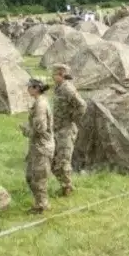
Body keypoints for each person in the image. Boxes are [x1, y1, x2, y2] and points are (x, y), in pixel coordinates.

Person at [51, 64, 87, 196]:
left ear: (61, 74)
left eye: (54, 73)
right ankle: (64, 185)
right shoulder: (58, 88)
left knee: (63, 162)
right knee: (54, 161)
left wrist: (73, 118)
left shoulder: (68, 89)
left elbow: (82, 105)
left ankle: (67, 188)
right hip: (57, 129)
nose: (52, 76)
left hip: (66, 130)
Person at [20, 78, 55, 214]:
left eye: (29, 87)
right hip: (37, 146)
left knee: (39, 178)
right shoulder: (39, 102)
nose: (27, 89)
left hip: (42, 146)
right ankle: (39, 202)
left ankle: (42, 205)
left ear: (36, 89)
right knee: (30, 176)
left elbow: (40, 128)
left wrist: (26, 131)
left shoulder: (40, 105)